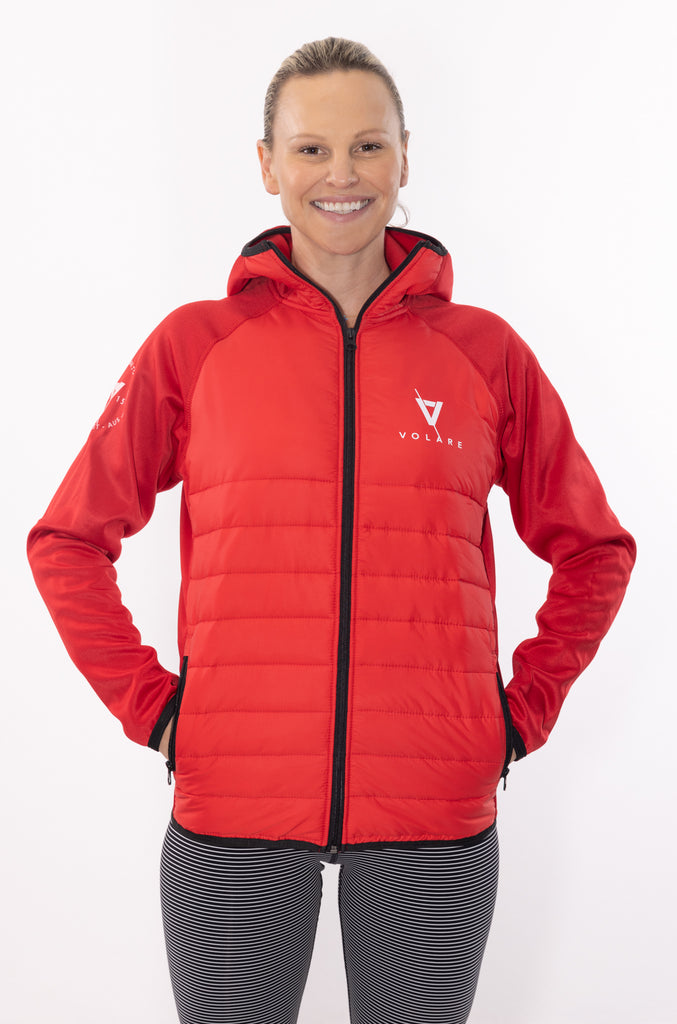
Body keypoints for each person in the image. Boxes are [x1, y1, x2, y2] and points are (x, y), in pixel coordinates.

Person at [27, 36, 636, 1024]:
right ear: (267, 165)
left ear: (404, 157)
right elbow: (67, 540)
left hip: (430, 805)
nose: (340, 174)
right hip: (234, 802)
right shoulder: (195, 346)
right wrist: (155, 709)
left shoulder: (483, 354)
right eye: (310, 149)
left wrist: (518, 712)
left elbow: (594, 549)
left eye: (367, 145)